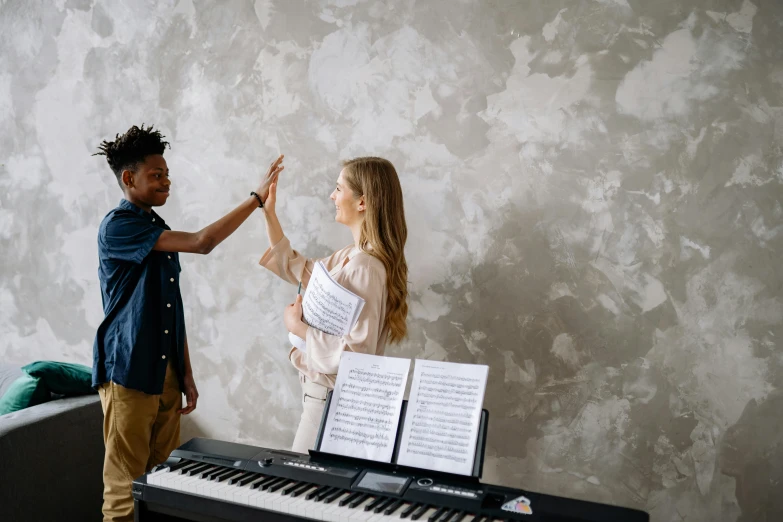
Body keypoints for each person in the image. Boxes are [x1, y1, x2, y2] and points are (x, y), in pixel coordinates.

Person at [92, 124, 283, 522]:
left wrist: (186, 373)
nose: (166, 181)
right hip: (128, 371)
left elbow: (169, 309)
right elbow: (203, 242)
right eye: (156, 175)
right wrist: (256, 200)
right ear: (129, 179)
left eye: (167, 174)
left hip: (165, 373)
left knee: (163, 484)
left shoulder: (157, 228)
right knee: (125, 490)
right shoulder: (118, 226)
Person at [258, 156, 409, 453]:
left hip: (331, 401)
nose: (332, 196)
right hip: (323, 397)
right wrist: (269, 214)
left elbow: (357, 351)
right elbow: (297, 268)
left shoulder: (365, 266)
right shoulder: (351, 256)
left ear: (362, 202)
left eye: (338, 189)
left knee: (302, 487)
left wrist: (298, 328)